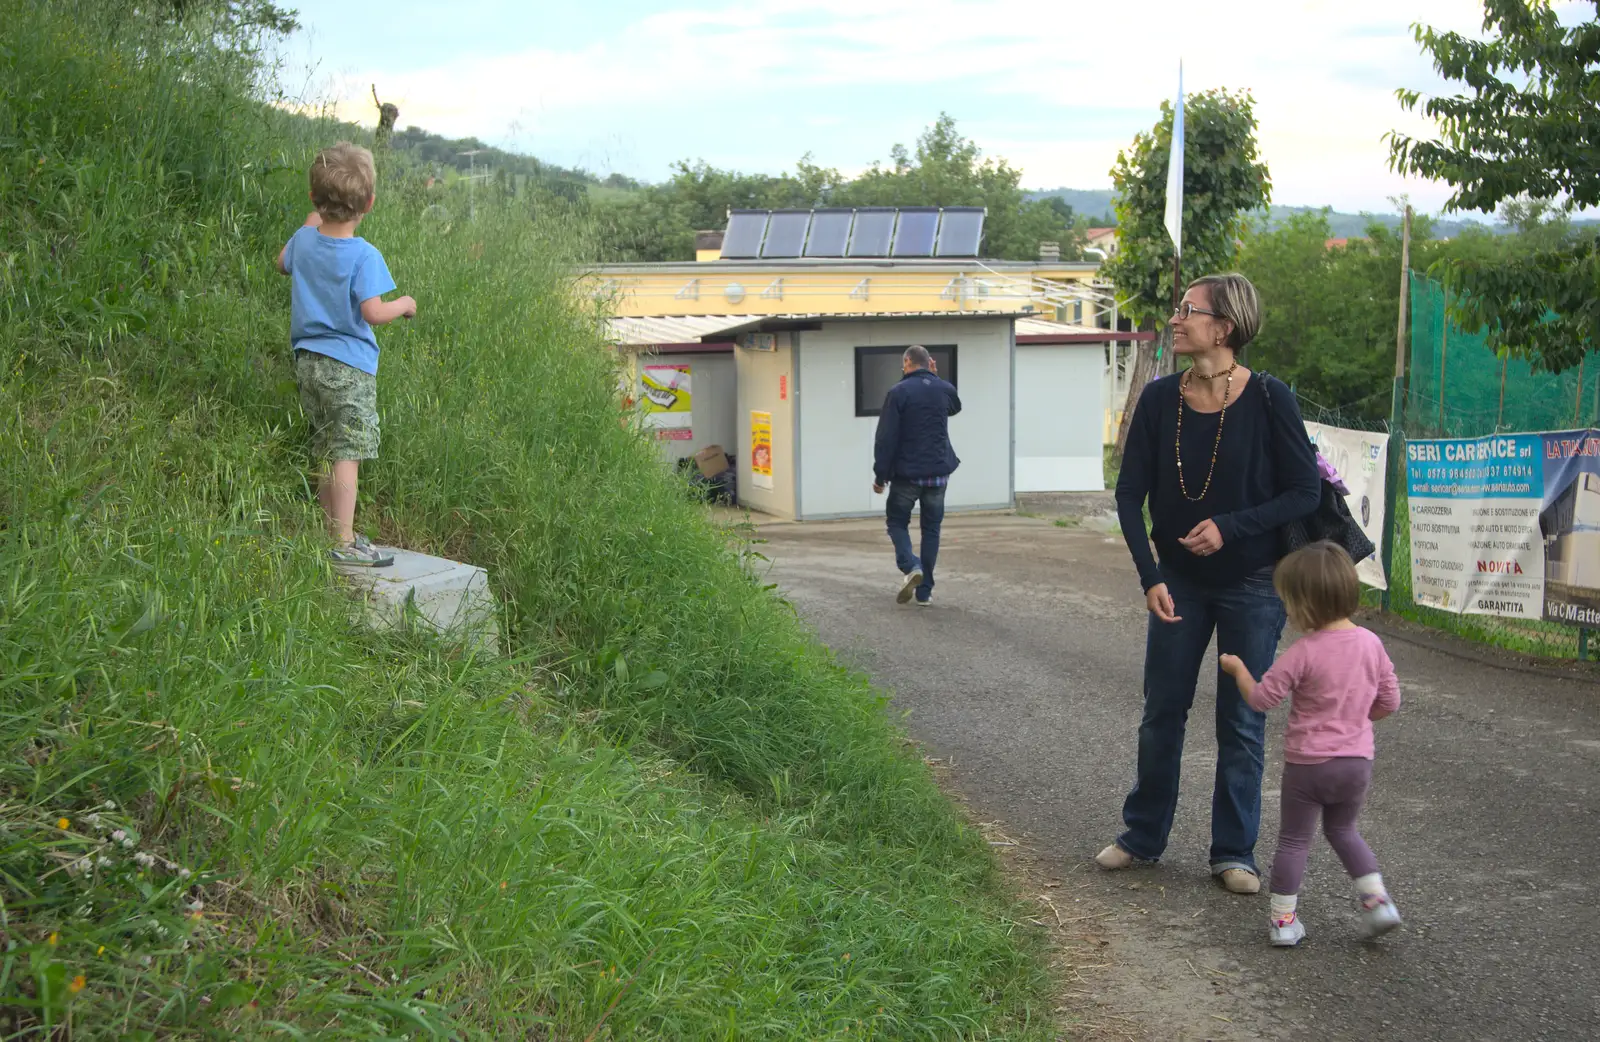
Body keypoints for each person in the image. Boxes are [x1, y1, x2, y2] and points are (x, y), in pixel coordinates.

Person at [1098, 273, 1320, 894]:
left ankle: (1234, 853)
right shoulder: (1161, 398)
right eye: (1178, 309)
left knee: (1242, 721)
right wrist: (1150, 576)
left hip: (1252, 584)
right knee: (1161, 711)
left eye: (1188, 311)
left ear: (1223, 327)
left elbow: (1303, 493)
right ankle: (1142, 837)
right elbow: (1128, 494)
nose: (1176, 319)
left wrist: (1229, 526)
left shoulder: (1272, 398)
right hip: (1177, 584)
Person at [1220, 541, 1403, 946]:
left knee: (1294, 840)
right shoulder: (1371, 644)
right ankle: (1378, 904)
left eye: (1288, 602)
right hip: (1356, 763)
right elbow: (1390, 700)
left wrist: (1238, 670)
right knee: (1345, 831)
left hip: (1309, 766)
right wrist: (1355, 718)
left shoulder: (1303, 653)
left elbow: (1261, 699)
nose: (1285, 610)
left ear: (1306, 605)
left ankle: (1284, 924)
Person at [277, 142, 417, 567]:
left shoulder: (302, 240)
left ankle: (328, 531)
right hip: (350, 369)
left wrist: (309, 224)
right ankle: (343, 540)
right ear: (369, 204)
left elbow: (281, 261)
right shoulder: (364, 255)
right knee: (347, 452)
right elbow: (373, 312)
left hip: (307, 365)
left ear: (313, 200)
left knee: (327, 446)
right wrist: (405, 303)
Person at [872, 346, 961, 606]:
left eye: (904, 364)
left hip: (907, 475)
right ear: (930, 363)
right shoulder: (944, 389)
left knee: (897, 523)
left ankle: (911, 566)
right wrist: (935, 376)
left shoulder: (898, 392)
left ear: (908, 362)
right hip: (938, 474)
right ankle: (925, 593)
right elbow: (955, 407)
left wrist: (881, 476)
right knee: (931, 529)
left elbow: (886, 438)